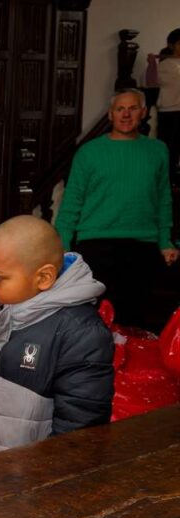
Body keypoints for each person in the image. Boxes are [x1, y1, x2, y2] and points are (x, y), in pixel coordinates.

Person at [0, 217, 114, 463]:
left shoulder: (79, 333)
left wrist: (45, 473)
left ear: (43, 278)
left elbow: (80, 423)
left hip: (26, 475)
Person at [55, 88, 177, 332]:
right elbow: (71, 203)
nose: (126, 114)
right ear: (111, 114)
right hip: (95, 244)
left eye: (132, 108)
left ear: (143, 112)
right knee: (93, 320)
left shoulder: (158, 150)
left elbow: (163, 199)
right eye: (120, 109)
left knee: (135, 320)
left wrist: (165, 241)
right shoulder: (89, 153)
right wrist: (62, 246)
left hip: (143, 244)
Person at [154, 29, 180, 181]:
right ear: (171, 45)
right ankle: (166, 179)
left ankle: (174, 176)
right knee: (168, 147)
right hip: (170, 110)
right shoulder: (166, 65)